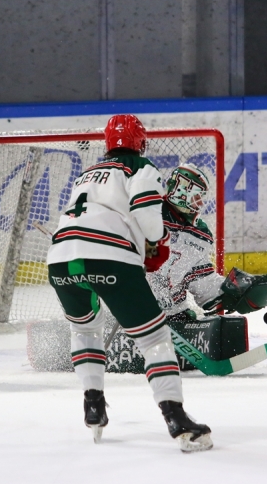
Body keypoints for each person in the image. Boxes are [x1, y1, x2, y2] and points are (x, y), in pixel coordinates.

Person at [46, 114, 213, 452]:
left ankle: (93, 405)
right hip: (109, 257)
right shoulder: (141, 168)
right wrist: (158, 241)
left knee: (84, 330)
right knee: (154, 338)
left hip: (61, 258)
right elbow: (149, 220)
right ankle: (176, 418)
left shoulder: (87, 172)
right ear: (141, 141)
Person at [147, 163, 267, 319]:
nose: (200, 203)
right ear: (181, 191)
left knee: (230, 329)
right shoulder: (145, 214)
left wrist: (240, 291)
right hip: (130, 313)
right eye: (196, 197)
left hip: (173, 315)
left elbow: (202, 283)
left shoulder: (198, 235)